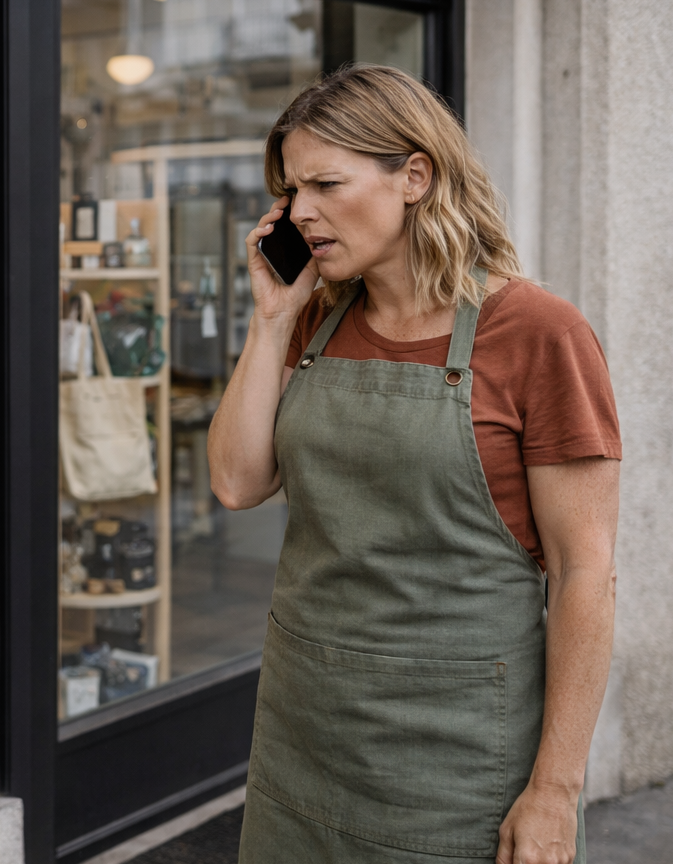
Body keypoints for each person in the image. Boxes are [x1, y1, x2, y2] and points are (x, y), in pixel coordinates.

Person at [207, 64, 619, 864]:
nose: (302, 213)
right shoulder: (317, 319)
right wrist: (270, 321)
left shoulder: (540, 333)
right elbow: (236, 482)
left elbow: (585, 575)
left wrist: (555, 791)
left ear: (415, 177)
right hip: (304, 733)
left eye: (326, 183)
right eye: (291, 191)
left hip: (453, 761)